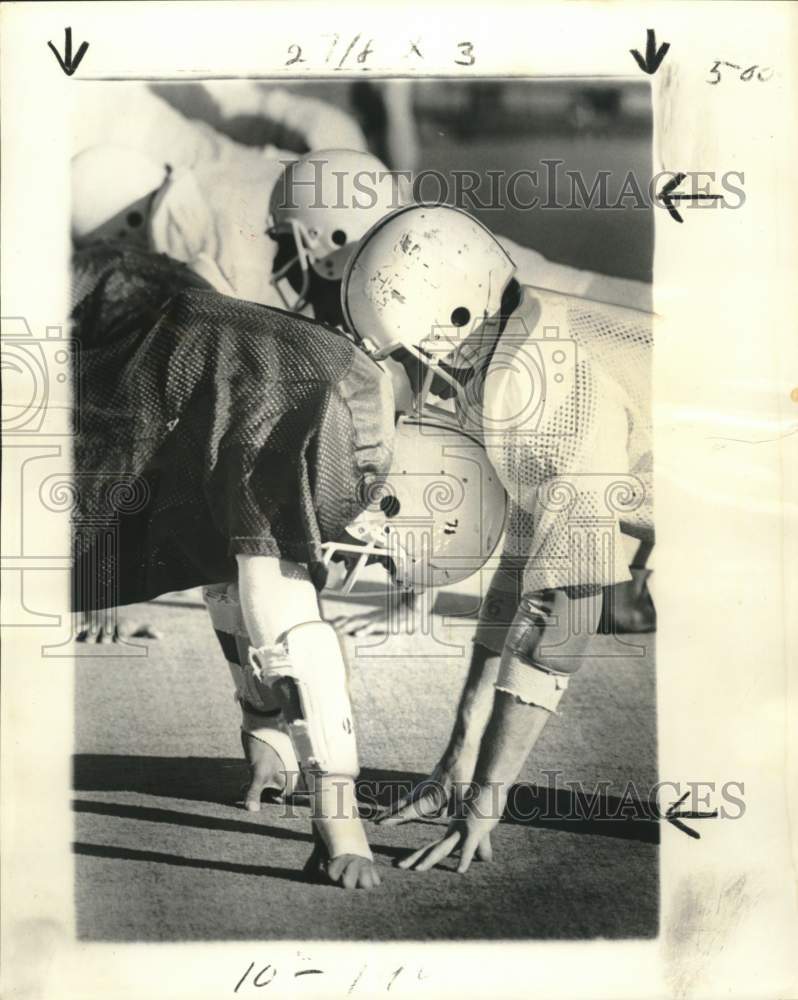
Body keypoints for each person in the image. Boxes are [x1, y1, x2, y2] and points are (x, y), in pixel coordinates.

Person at [70, 239, 505, 887]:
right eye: (389, 561)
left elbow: (225, 562)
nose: (369, 569)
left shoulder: (349, 374)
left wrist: (267, 729)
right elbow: (286, 616)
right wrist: (341, 827)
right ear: (389, 497)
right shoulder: (345, 419)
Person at [339, 203, 654, 870]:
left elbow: (561, 620)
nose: (409, 382)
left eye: (407, 357)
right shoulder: (507, 346)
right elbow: (517, 582)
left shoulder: (540, 387)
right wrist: (459, 758)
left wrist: (485, 804)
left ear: (454, 322)